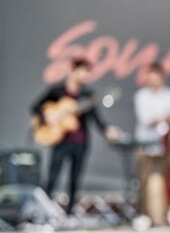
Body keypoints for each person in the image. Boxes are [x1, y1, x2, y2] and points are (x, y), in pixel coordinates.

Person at [32, 57, 120, 213]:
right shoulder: (57, 91)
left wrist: (107, 129)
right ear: (74, 70)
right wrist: (48, 116)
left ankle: (70, 212)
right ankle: (42, 211)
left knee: (74, 179)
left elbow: (95, 117)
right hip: (61, 140)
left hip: (80, 141)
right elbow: (36, 107)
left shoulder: (86, 94)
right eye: (83, 71)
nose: (86, 76)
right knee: (53, 176)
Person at [134, 62, 170, 225]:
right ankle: (145, 215)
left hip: (165, 143)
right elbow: (147, 119)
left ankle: (166, 213)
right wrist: (166, 116)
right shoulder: (142, 95)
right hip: (145, 143)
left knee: (168, 179)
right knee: (144, 180)